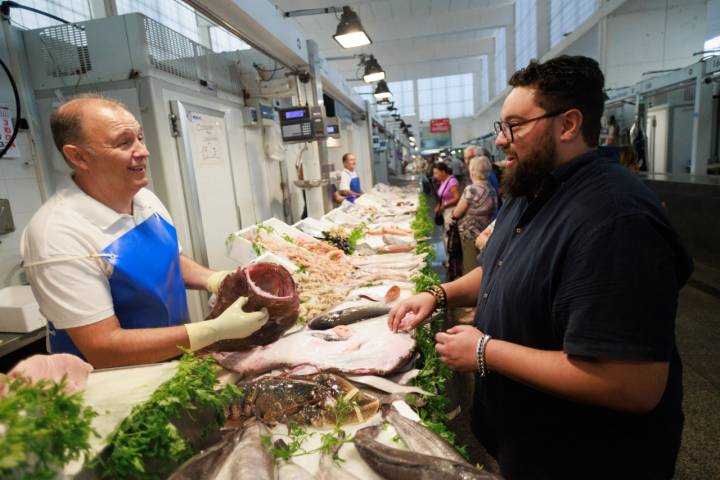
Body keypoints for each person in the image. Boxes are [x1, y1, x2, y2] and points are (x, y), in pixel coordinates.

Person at [388, 56, 692, 479]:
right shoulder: (532, 189)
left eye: (514, 126)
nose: (501, 140)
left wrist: (484, 350)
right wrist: (437, 294)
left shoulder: (615, 219)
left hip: (586, 459)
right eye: (501, 127)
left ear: (567, 125)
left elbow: (632, 384)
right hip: (528, 446)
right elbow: (502, 268)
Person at [21, 94, 268, 368]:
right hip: (114, 386)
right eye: (124, 142)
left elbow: (166, 260)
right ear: (78, 156)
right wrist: (211, 331)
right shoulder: (57, 234)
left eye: (140, 137)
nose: (142, 150)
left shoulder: (144, 200)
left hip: (175, 359)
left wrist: (218, 280)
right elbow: (103, 347)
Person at [449, 156, 497, 275]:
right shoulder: (491, 188)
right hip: (485, 233)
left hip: (469, 234)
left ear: (472, 171)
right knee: (484, 266)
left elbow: (457, 212)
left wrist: (452, 216)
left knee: (471, 267)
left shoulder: (471, 189)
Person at [432, 162, 461, 250]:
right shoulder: (443, 181)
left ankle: (452, 257)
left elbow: (457, 197)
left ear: (443, 172)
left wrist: (444, 205)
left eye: (436, 173)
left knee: (450, 234)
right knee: (446, 233)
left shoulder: (452, 181)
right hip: (445, 211)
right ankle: (448, 255)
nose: (435, 175)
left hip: (451, 210)